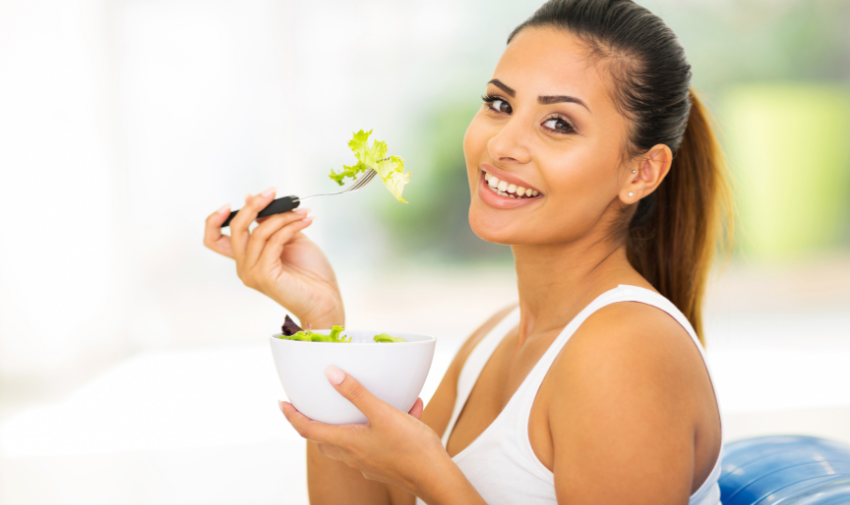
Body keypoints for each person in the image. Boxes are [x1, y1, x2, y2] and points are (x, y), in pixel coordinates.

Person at [204, 0, 733, 503]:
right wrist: (322, 320)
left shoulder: (625, 352)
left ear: (641, 172)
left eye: (558, 124)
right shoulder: (498, 335)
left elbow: (423, 482)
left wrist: (432, 475)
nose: (501, 144)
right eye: (500, 104)